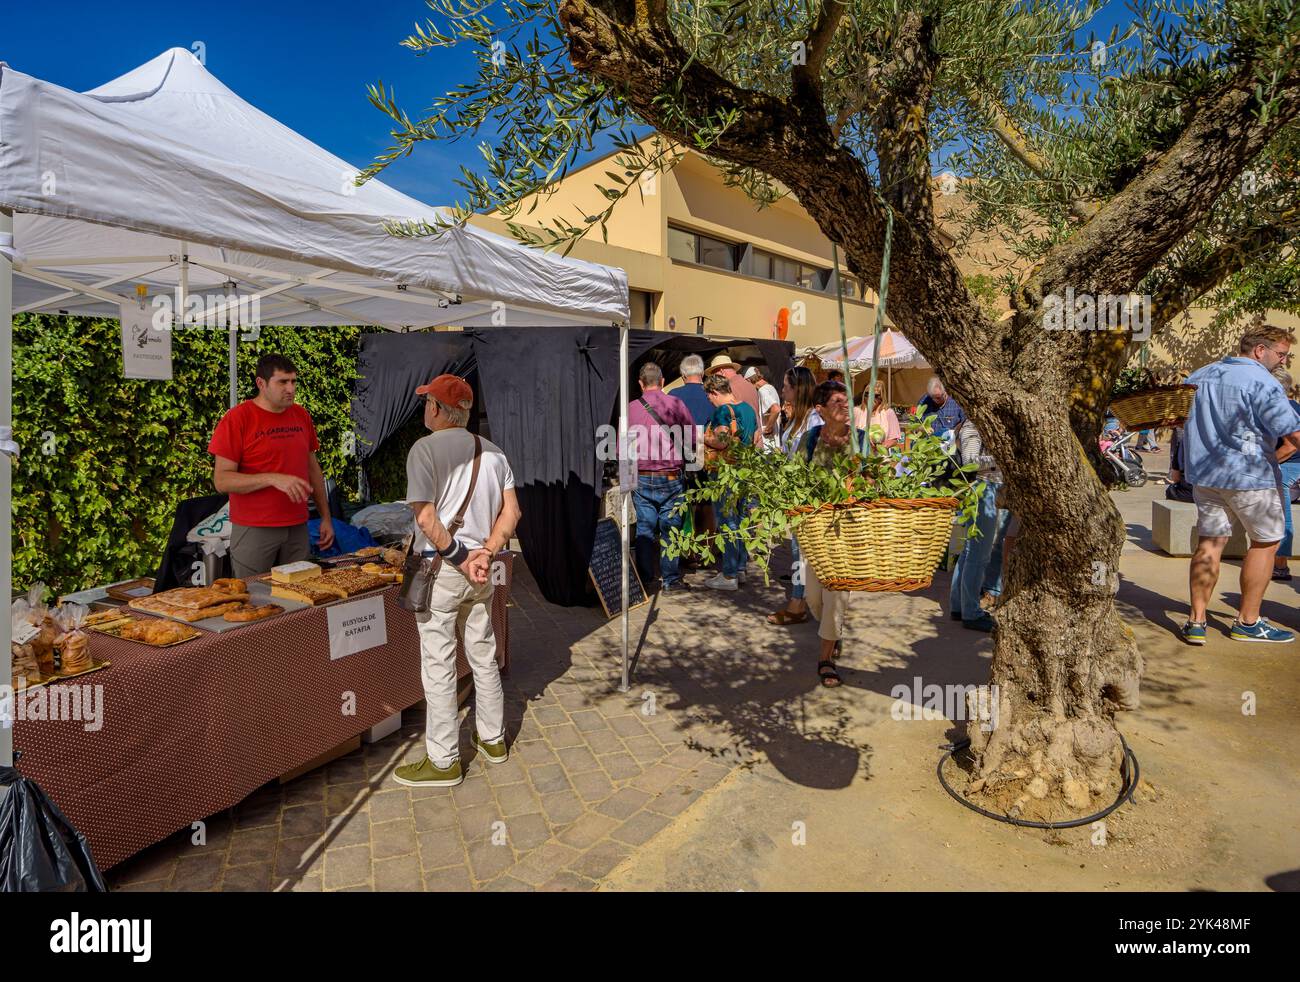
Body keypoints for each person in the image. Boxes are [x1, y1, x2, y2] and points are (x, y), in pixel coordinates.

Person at [394, 374, 522, 788]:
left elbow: (425, 517)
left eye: (426, 403)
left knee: (439, 663)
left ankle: (445, 760)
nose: (424, 410)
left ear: (436, 409)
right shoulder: (494, 452)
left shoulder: (423, 450)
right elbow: (512, 513)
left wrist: (462, 556)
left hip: (443, 568)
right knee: (484, 654)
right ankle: (494, 739)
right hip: (482, 569)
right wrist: (487, 550)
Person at [1182, 325, 1300, 644]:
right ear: (1259, 350)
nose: (1283, 362)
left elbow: (1176, 414)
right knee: (1265, 543)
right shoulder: (1262, 381)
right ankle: (1248, 622)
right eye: (1281, 354)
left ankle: (1196, 621)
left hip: (1206, 475)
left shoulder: (1201, 373)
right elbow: (1293, 434)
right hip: (1250, 476)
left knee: (1210, 543)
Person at [209, 353, 335, 578]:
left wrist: (326, 517)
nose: (290, 389)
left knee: (301, 595)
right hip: (254, 528)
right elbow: (222, 480)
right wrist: (272, 478)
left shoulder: (300, 415)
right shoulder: (237, 419)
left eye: (293, 381)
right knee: (254, 598)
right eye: (282, 382)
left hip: (297, 525)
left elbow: (313, 469)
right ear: (261, 383)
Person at [797, 380, 869, 687]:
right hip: (815, 530)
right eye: (837, 402)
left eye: (847, 401)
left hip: (848, 531)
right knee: (814, 597)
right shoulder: (810, 439)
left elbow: (876, 481)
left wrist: (858, 477)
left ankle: (826, 657)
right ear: (821, 409)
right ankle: (831, 630)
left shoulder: (862, 440)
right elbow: (795, 480)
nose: (845, 407)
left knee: (836, 593)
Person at [628, 362, 696, 592]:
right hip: (671, 477)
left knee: (645, 529)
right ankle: (670, 579)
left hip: (642, 476)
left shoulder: (630, 409)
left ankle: (646, 580)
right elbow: (692, 440)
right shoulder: (676, 404)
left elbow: (622, 450)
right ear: (663, 381)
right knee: (671, 528)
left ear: (640, 383)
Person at [769, 366, 822, 626]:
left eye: (786, 386)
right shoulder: (798, 419)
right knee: (797, 549)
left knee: (802, 551)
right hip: (794, 493)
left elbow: (817, 461)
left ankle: (798, 604)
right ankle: (804, 600)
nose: (782, 390)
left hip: (807, 496)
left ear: (797, 389)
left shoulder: (814, 421)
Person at [701, 373, 759, 591]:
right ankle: (741, 568)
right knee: (743, 519)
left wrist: (702, 437)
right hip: (745, 471)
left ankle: (729, 574)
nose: (711, 402)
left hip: (725, 473)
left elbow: (722, 441)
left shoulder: (722, 411)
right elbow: (753, 439)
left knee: (727, 520)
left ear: (714, 392)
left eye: (709, 398)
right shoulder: (748, 409)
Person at [949, 419, 1006, 632]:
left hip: (983, 488)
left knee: (970, 551)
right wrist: (1001, 459)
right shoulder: (973, 426)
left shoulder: (976, 424)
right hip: (983, 488)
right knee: (978, 554)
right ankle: (971, 612)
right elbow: (970, 461)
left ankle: (959, 606)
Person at [1270, 365, 1300, 581]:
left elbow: (1291, 445)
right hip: (1293, 464)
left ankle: (1280, 564)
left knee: (1282, 515)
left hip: (1289, 465)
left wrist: (1267, 463)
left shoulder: (1283, 409)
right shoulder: (1295, 406)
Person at [705, 354, 762, 446]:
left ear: (721, 371)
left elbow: (722, 441)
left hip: (734, 451)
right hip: (753, 446)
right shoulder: (750, 385)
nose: (714, 380)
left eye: (715, 376)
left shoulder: (729, 388)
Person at [853, 378, 902, 450]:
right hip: (859, 455)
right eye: (867, 394)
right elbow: (848, 434)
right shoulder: (856, 411)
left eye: (875, 395)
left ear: (881, 397)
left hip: (879, 457)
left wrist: (881, 447)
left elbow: (894, 439)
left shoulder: (889, 413)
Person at [745, 365, 782, 450]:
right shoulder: (771, 387)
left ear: (749, 380)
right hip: (774, 442)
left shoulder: (763, 390)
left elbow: (776, 409)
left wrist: (767, 429)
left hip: (768, 444)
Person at [1165, 427, 1195, 503]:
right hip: (1223, 488)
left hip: (1190, 492)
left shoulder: (1185, 439)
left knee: (1170, 490)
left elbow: (1175, 477)